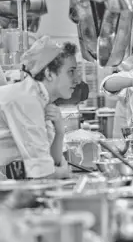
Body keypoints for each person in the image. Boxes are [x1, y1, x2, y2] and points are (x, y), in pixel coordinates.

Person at [0, 35, 80, 179]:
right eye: (71, 72)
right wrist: (64, 172)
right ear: (49, 74)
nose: (77, 79)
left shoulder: (41, 100)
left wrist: (60, 131)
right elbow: (43, 174)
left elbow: (50, 161)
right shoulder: (26, 101)